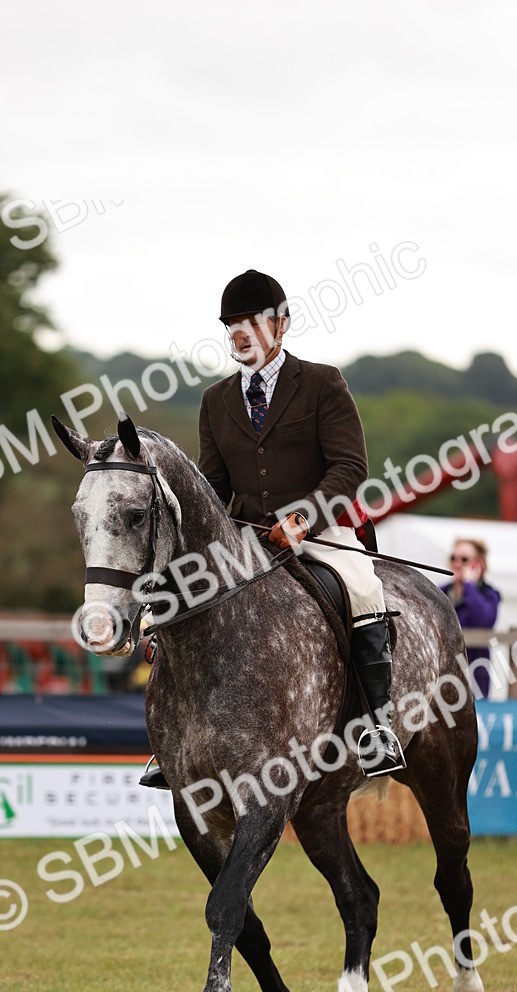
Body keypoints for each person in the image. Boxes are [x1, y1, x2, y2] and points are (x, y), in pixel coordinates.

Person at [141, 269, 404, 788]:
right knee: (183, 596)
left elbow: (350, 467)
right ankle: (173, 741)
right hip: (245, 538)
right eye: (232, 325)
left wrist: (304, 517)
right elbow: (213, 485)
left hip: (319, 531)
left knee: (363, 588)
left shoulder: (323, 383)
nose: (241, 334)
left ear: (282, 325)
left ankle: (377, 726)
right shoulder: (216, 400)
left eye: (253, 323)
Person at [441, 537, 501, 697]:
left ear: (478, 564)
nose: (457, 563)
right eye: (453, 558)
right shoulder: (440, 592)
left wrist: (469, 586)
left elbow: (483, 622)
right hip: (442, 678)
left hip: (474, 680)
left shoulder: (489, 594)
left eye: (464, 559)